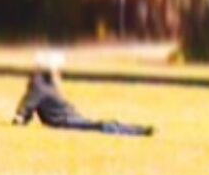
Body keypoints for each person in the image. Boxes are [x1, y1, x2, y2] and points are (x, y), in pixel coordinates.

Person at [13, 55, 153, 136]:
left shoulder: (43, 85)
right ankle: (138, 131)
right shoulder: (40, 87)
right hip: (66, 120)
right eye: (56, 70)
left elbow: (28, 110)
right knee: (104, 126)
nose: (58, 73)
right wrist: (20, 117)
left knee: (105, 125)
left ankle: (138, 130)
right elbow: (25, 109)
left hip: (69, 118)